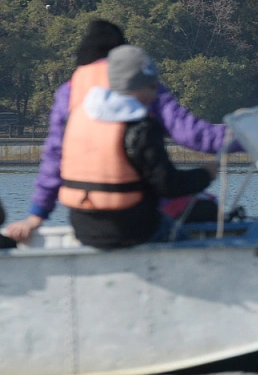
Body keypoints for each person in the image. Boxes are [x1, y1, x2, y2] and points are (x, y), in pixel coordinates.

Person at [3, 20, 235, 243]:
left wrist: (36, 216)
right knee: (201, 215)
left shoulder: (70, 92)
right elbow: (191, 136)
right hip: (136, 221)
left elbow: (54, 159)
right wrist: (240, 138)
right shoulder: (141, 86)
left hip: (85, 222)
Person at [62, 45, 217, 249]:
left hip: (83, 227)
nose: (155, 95)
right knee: (191, 247)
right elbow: (168, 185)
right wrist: (206, 175)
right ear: (136, 86)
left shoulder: (79, 116)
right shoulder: (141, 127)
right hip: (130, 229)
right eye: (152, 87)